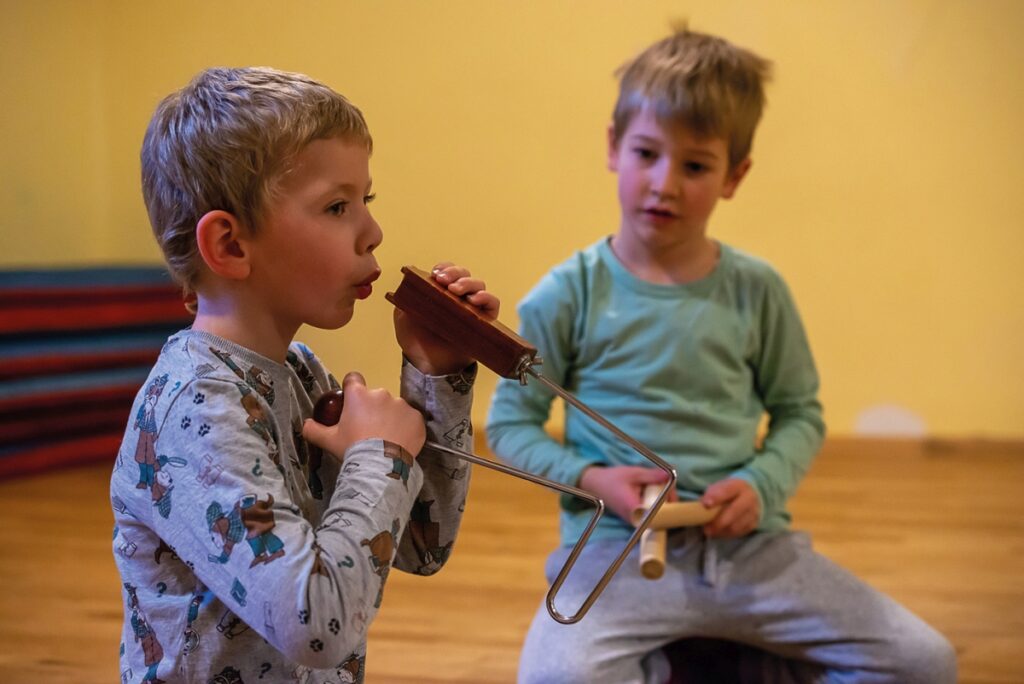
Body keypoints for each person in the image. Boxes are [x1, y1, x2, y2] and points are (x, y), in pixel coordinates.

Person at [487, 27, 956, 683]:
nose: (664, 184)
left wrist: (762, 488)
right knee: (555, 678)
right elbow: (510, 424)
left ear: (735, 175)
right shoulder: (567, 294)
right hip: (613, 548)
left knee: (923, 663)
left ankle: (731, 662)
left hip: (747, 551)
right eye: (646, 153)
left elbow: (799, 414)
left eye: (696, 166)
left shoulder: (757, 290)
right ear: (613, 147)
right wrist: (597, 481)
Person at [111, 66, 498, 684]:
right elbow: (314, 625)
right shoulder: (196, 409)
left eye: (364, 202)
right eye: (337, 206)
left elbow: (423, 541)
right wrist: (378, 454)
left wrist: (434, 375)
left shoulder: (295, 372)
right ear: (231, 247)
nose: (372, 233)